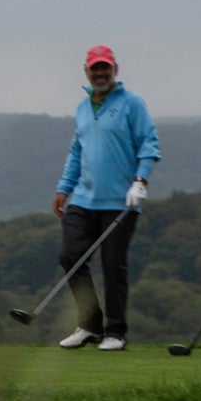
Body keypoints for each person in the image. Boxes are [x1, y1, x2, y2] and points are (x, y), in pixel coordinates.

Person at [52, 45, 161, 351]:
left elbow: (149, 145)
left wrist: (140, 181)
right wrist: (64, 188)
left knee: (113, 264)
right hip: (83, 199)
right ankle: (89, 324)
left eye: (105, 68)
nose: (100, 73)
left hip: (120, 201)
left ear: (115, 69)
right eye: (95, 68)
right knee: (71, 258)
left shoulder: (132, 104)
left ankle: (116, 331)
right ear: (87, 71)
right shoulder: (83, 107)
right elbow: (77, 151)